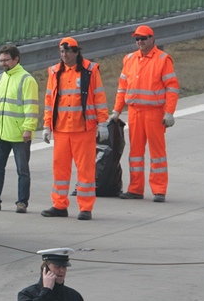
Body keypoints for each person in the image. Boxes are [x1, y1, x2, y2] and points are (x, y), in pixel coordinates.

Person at [109, 25, 180, 203]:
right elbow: (122, 88)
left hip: (154, 114)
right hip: (135, 112)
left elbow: (172, 88)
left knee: (157, 153)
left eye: (143, 38)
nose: (140, 42)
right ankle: (135, 189)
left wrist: (169, 112)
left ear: (152, 39)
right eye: (137, 39)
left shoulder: (163, 60)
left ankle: (159, 190)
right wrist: (116, 111)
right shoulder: (130, 59)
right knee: (135, 153)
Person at [41, 37, 108, 220]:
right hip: (61, 130)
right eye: (62, 52)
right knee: (60, 170)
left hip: (83, 130)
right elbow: (50, 101)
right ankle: (59, 205)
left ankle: (85, 208)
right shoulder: (54, 72)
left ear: (77, 52)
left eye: (68, 52)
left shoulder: (90, 70)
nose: (64, 56)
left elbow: (99, 97)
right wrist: (47, 125)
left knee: (85, 170)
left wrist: (102, 123)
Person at [0, 45, 38, 213]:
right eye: (0, 61)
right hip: (0, 132)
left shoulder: (26, 80)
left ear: (16, 59)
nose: (3, 64)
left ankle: (22, 202)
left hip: (20, 134)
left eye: (6, 60)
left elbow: (31, 107)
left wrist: (28, 129)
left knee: (23, 170)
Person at [17, 248, 87, 301]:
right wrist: (46, 290)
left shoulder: (74, 296)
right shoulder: (27, 294)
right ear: (44, 269)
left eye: (64, 267)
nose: (62, 270)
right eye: (57, 266)